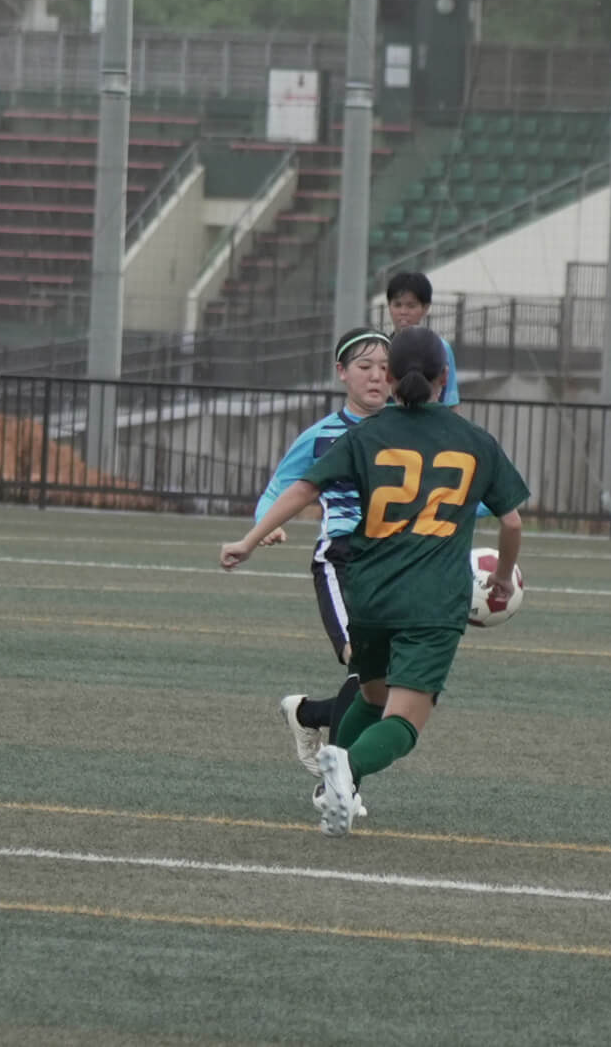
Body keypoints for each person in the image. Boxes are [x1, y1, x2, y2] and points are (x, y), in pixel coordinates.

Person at [221, 327, 527, 836]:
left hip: (371, 592)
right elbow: (511, 523)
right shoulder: (475, 441)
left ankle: (336, 778)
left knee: (371, 695)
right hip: (433, 600)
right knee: (405, 721)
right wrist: (500, 579)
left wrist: (250, 540)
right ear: (444, 377)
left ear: (391, 377)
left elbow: (304, 488)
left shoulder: (366, 434)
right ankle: (349, 768)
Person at [261, 326, 392, 789]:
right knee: (363, 663)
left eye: (385, 368)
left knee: (388, 686)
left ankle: (308, 713)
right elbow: (281, 487)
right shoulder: (322, 436)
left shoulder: (406, 431)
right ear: (342, 372)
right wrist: (267, 523)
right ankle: (340, 787)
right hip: (342, 560)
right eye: (365, 366)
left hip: (396, 565)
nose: (376, 376)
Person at [385, 271, 460, 406]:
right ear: (389, 306)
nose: (403, 312)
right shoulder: (381, 347)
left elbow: (451, 401)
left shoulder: (441, 347)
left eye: (411, 306)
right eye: (397, 305)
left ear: (425, 308)